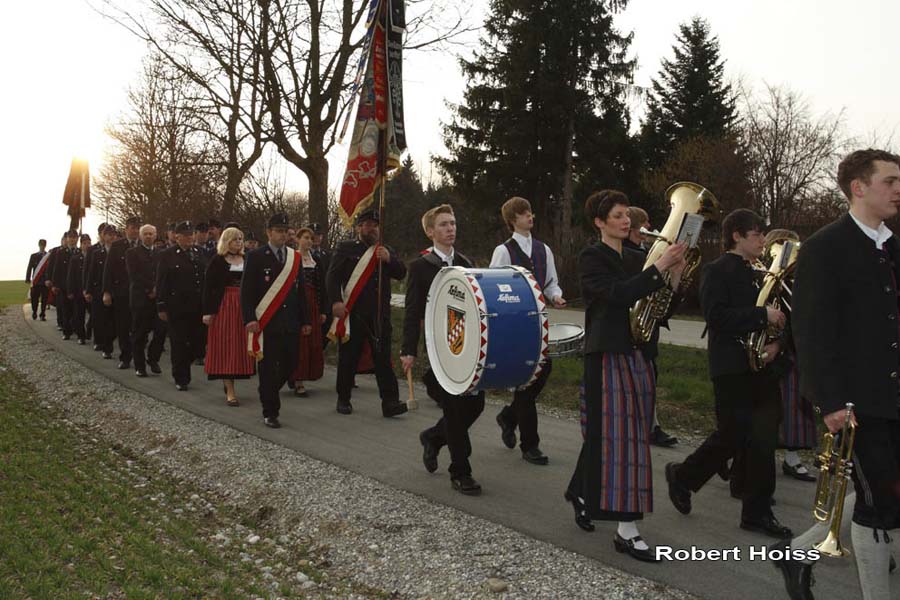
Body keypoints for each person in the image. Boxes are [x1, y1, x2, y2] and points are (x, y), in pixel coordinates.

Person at [775, 149, 900, 600]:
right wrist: (827, 401)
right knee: (879, 505)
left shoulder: (891, 245)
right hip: (855, 403)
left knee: (885, 492)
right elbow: (809, 331)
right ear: (859, 187)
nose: (898, 189)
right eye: (890, 181)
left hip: (894, 397)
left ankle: (796, 553)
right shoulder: (824, 247)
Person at [564, 190, 685, 562]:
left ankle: (582, 493)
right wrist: (659, 268)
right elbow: (615, 295)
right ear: (600, 222)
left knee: (621, 435)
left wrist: (675, 275)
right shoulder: (591, 257)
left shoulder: (637, 256)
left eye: (625, 215)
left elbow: (662, 308)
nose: (625, 220)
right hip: (608, 354)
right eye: (617, 215)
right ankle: (627, 531)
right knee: (624, 440)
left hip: (639, 353)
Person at [664, 208, 793, 539]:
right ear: (736, 235)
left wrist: (778, 344)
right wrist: (760, 314)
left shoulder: (762, 272)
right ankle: (683, 476)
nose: (763, 241)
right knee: (732, 434)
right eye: (757, 235)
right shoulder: (716, 270)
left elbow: (782, 318)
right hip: (731, 366)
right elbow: (717, 317)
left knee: (764, 439)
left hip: (763, 366)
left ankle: (757, 512)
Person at [403, 204, 486, 495]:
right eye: (443, 224)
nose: (450, 228)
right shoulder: (420, 266)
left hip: (467, 349)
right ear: (430, 232)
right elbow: (412, 312)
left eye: (452, 223)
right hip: (440, 350)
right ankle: (460, 472)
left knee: (475, 404)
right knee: (453, 409)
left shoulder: (466, 262)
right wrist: (408, 350)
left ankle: (434, 438)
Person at [489, 197, 564, 465]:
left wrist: (555, 296)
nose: (530, 216)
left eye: (530, 212)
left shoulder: (544, 249)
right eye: (523, 214)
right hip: (515, 323)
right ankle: (530, 445)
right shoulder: (503, 251)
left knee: (543, 371)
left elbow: (551, 282)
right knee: (526, 381)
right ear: (512, 220)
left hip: (539, 322)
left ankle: (509, 417)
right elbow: (495, 287)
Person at [326, 208, 408, 417]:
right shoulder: (346, 248)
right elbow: (332, 277)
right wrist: (335, 301)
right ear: (359, 227)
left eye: (376, 225)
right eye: (368, 225)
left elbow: (401, 273)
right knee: (349, 357)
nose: (372, 229)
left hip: (379, 315)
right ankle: (343, 398)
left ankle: (390, 402)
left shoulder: (384, 250)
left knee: (383, 359)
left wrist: (390, 259)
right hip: (354, 313)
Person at [241, 213, 311, 428]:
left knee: (291, 364)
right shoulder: (255, 257)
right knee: (268, 367)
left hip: (290, 322)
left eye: (285, 231)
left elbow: (300, 293)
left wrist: (306, 320)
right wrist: (250, 318)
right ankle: (270, 411)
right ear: (269, 232)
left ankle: (267, 390)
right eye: (278, 231)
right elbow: (247, 292)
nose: (283, 235)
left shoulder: (294, 257)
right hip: (267, 322)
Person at [764, 228, 817, 482]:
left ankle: (792, 458)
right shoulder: (768, 278)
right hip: (775, 351)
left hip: (797, 350)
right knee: (777, 406)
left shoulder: (799, 282)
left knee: (798, 406)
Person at [624, 206, 679, 448]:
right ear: (636, 228)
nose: (651, 229)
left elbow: (663, 300)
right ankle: (645, 427)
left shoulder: (646, 254)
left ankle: (652, 425)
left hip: (649, 329)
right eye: (646, 224)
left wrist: (676, 276)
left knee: (651, 378)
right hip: (630, 331)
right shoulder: (631, 256)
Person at [203, 226, 255, 405]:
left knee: (240, 344)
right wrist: (208, 312)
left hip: (244, 305)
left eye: (240, 239)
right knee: (226, 344)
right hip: (224, 305)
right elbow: (208, 288)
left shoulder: (247, 259)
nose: (239, 242)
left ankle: (236, 376)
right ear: (227, 241)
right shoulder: (218, 260)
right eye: (235, 239)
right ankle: (230, 388)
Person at [156, 221, 205, 391]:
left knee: (197, 341)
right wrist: (161, 306)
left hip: (197, 305)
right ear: (177, 237)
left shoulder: (199, 252)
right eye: (185, 235)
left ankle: (186, 364)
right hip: (176, 306)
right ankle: (181, 377)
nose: (189, 238)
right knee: (178, 343)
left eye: (191, 234)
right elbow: (162, 281)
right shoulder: (167, 255)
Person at [290, 226, 326, 396]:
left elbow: (321, 286)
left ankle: (304, 375)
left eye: (311, 238)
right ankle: (297, 379)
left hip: (313, 303)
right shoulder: (291, 258)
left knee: (312, 341)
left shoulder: (315, 260)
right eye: (305, 237)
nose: (309, 241)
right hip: (296, 304)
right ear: (297, 239)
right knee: (299, 343)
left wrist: (322, 310)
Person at [126, 224, 165, 377]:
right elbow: (134, 275)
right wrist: (150, 289)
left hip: (158, 300)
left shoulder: (161, 254)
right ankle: (140, 366)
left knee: (161, 331)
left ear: (155, 235)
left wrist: (158, 289)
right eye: (146, 234)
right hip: (140, 298)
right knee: (140, 334)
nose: (148, 236)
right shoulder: (132, 253)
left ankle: (153, 358)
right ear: (141, 236)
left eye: (151, 234)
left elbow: (163, 274)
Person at [103, 216, 141, 369]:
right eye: (132, 228)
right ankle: (125, 357)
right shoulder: (117, 246)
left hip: (139, 293)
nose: (135, 231)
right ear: (126, 229)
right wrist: (107, 291)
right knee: (123, 327)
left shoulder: (143, 245)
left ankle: (139, 357)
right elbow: (108, 269)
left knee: (138, 327)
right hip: (122, 293)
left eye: (138, 228)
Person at [85, 225, 116, 358]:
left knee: (113, 321)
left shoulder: (123, 252)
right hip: (98, 290)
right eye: (108, 234)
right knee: (99, 318)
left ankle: (108, 342)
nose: (111, 237)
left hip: (116, 290)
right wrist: (87, 290)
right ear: (103, 236)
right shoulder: (96, 252)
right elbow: (90, 272)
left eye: (113, 234)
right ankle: (100, 342)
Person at [48, 230, 79, 339]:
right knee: (66, 310)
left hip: (76, 286)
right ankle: (67, 332)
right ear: (66, 239)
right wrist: (54, 285)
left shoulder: (79, 252)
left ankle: (75, 328)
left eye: (74, 237)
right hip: (63, 286)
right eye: (70, 237)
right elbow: (57, 269)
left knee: (76, 310)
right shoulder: (61, 253)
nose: (72, 239)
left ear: (77, 239)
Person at [66, 234, 91, 344]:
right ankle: (81, 336)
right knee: (79, 315)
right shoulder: (75, 259)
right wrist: (70, 291)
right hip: (78, 291)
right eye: (84, 243)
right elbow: (71, 276)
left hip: (91, 291)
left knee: (94, 314)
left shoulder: (94, 257)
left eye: (88, 243)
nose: (87, 245)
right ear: (81, 245)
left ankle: (89, 331)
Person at [310, 223, 332, 347]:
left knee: (324, 334)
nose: (316, 238)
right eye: (313, 235)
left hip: (326, 300)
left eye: (318, 235)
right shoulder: (301, 255)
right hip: (311, 297)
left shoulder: (328, 256)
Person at [25, 239, 48, 320]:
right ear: (39, 245)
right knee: (34, 298)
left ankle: (42, 314)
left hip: (45, 281)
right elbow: (29, 267)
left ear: (45, 245)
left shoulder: (47, 256)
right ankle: (34, 311)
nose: (42, 246)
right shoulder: (34, 256)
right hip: (36, 281)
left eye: (44, 244)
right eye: (41, 244)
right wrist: (27, 278)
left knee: (44, 299)